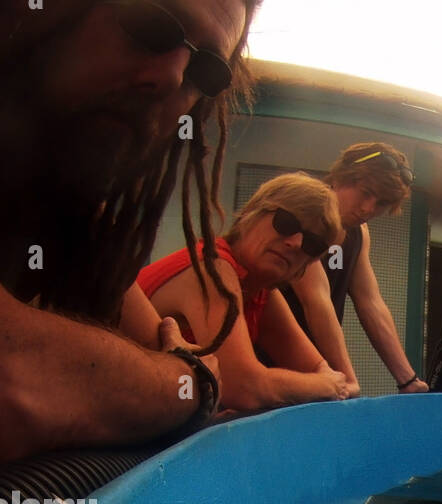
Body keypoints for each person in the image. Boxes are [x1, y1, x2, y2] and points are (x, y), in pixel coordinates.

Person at [0, 0, 259, 466]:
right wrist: (180, 386)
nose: (174, 79)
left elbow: (193, 367)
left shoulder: (74, 214)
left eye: (207, 70)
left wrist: (183, 380)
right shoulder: (217, 264)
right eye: (151, 25)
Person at [139, 174, 349, 411]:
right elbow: (243, 389)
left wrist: (328, 382)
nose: (296, 243)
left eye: (313, 243)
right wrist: (325, 386)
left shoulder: (261, 291)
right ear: (253, 213)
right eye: (286, 223)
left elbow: (326, 373)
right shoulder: (214, 267)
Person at [279, 143, 427, 396]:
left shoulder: (359, 233)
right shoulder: (307, 209)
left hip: (316, 371)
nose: (369, 209)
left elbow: (370, 302)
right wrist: (348, 378)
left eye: (381, 203)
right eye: (366, 193)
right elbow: (316, 300)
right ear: (341, 177)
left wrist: (408, 379)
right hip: (267, 359)